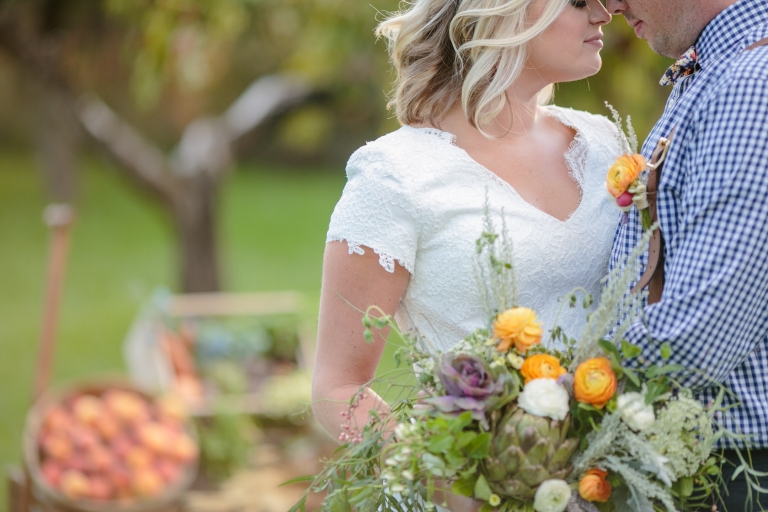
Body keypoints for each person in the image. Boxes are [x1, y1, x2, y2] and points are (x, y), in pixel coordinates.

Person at [312, 0, 615, 509]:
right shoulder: (396, 176)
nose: (606, 12)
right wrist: (438, 471)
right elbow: (336, 385)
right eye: (580, 0)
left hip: (618, 487)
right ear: (505, 11)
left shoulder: (605, 143)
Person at [606, 0, 768, 509]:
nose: (611, 6)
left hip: (742, 476)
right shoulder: (716, 69)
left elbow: (706, 325)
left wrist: (559, 392)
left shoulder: (750, 83)